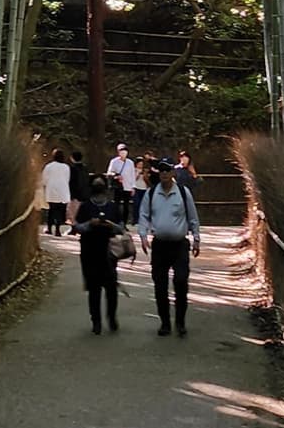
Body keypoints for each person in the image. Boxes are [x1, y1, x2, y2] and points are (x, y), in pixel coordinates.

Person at [139, 158, 202, 337]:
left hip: (179, 245)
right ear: (158, 173)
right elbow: (143, 216)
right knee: (160, 285)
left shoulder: (183, 193)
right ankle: (165, 323)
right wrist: (143, 236)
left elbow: (193, 217)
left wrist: (196, 237)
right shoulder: (151, 194)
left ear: (173, 173)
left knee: (181, 281)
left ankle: (180, 322)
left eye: (167, 170)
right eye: (162, 170)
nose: (164, 173)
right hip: (159, 246)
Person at [76, 188, 126, 334]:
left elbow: (121, 229)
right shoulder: (85, 206)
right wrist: (90, 224)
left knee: (111, 288)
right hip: (89, 252)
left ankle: (111, 317)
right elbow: (78, 227)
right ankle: (96, 321)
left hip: (108, 252)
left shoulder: (112, 207)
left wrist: (110, 225)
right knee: (94, 289)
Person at [38, 146, 73, 237]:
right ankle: (58, 230)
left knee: (52, 210)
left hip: (52, 190)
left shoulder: (49, 166)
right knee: (60, 211)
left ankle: (49, 229)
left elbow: (44, 179)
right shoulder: (66, 167)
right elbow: (67, 178)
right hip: (63, 190)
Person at [106, 141, 138, 221]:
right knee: (116, 204)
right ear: (118, 152)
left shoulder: (130, 162)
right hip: (118, 186)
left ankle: (124, 221)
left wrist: (133, 187)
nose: (123, 152)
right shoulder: (114, 161)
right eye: (121, 151)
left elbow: (132, 175)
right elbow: (109, 172)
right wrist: (115, 176)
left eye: (125, 151)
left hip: (127, 186)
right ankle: (116, 220)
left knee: (126, 205)